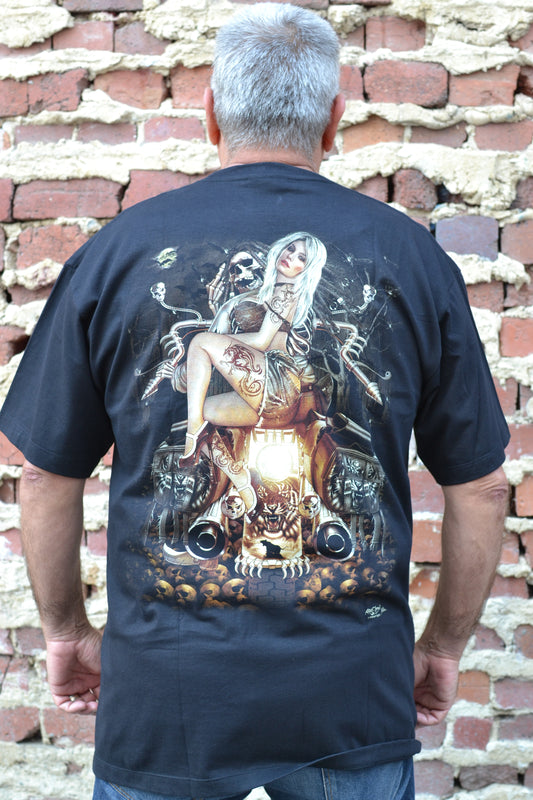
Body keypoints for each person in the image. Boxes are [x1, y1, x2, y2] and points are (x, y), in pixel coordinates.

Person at [0, 4, 509, 800]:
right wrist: (441, 649)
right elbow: (479, 487)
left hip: (165, 695)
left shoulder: (115, 253)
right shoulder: (412, 257)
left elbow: (43, 475)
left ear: (209, 113)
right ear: (334, 120)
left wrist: (66, 631)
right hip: (352, 692)